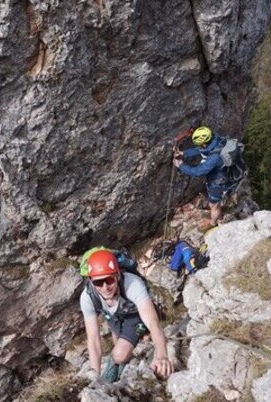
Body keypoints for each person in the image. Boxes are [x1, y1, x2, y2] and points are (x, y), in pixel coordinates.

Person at [79, 249, 173, 382]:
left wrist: (162, 355)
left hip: (135, 314)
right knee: (119, 343)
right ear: (91, 281)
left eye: (109, 280)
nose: (105, 287)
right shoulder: (87, 297)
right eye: (98, 283)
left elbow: (153, 322)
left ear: (117, 275)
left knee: (119, 354)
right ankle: (119, 369)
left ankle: (119, 365)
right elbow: (93, 339)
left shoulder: (132, 284)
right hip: (113, 316)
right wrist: (95, 375)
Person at [173, 126, 233, 228]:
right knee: (213, 203)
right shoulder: (215, 139)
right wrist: (184, 153)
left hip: (219, 180)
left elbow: (198, 172)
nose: (199, 146)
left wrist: (181, 165)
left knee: (214, 205)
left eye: (200, 144)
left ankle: (213, 223)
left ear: (204, 143)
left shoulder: (214, 157)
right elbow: (201, 150)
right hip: (224, 171)